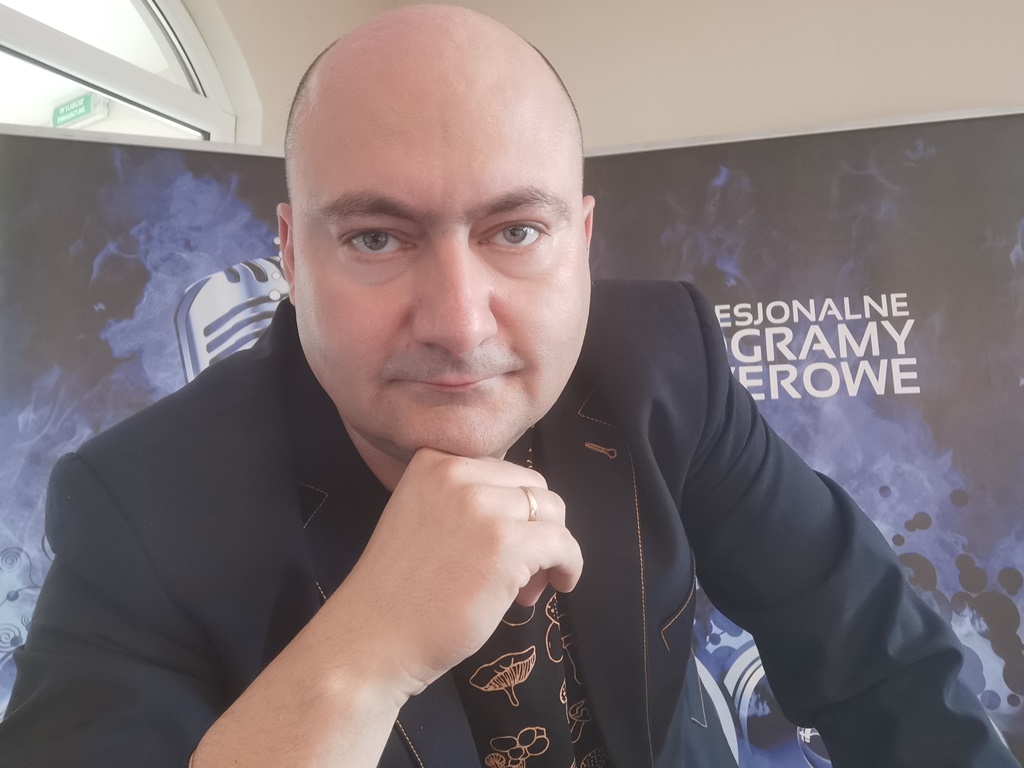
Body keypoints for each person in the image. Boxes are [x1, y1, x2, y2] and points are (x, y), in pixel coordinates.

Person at [0, 5, 1017, 767]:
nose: (458, 323)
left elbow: (878, 660)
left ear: (581, 242)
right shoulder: (142, 511)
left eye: (516, 231)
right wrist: (365, 652)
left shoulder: (665, 363)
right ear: (293, 257)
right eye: (376, 238)